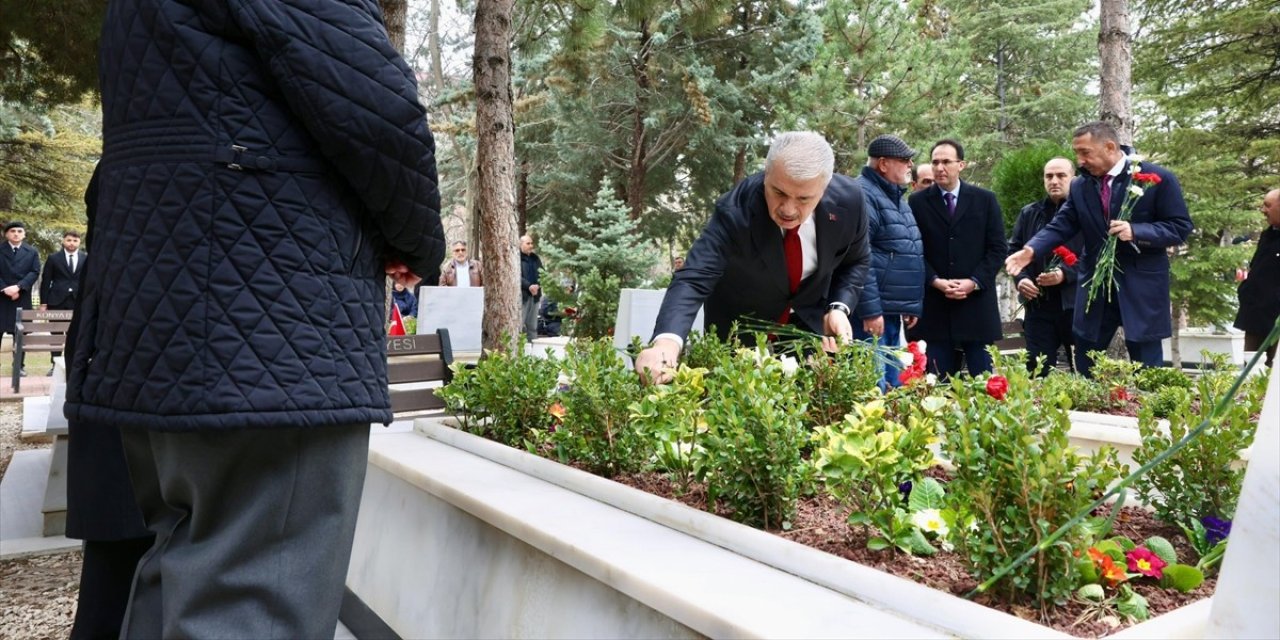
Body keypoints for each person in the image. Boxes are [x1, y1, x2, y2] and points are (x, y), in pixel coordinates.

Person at [65, 2, 445, 639]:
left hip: (164, 323)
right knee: (258, 595)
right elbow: (378, 112)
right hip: (272, 335)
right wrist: (416, 242)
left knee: (177, 577)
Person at [635, 131, 871, 383]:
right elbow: (694, 277)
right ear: (766, 175)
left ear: (824, 187)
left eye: (803, 198)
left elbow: (856, 261)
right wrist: (667, 341)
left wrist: (838, 307)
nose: (788, 210)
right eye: (778, 192)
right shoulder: (735, 210)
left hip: (806, 326)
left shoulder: (851, 201)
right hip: (740, 328)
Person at [1006, 121, 1192, 377]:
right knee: (1086, 362)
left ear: (1109, 147)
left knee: (1147, 369)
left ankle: (1150, 414)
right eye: (1077, 153)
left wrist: (1137, 231)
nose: (1080, 161)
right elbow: (1063, 224)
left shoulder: (1159, 178)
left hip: (1141, 289)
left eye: (1085, 153)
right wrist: (1031, 250)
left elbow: (1180, 227)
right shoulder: (1081, 186)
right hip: (1094, 289)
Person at [908, 139, 1007, 378]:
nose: (940, 167)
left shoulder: (985, 200)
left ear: (961, 165)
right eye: (935, 162)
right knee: (936, 383)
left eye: (946, 162)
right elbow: (912, 250)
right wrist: (934, 280)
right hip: (935, 306)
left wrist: (973, 281)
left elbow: (997, 249)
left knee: (983, 384)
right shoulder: (917, 203)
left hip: (976, 305)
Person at [853, 135, 924, 389]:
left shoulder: (896, 198)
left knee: (894, 389)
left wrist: (909, 305)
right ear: (883, 164)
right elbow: (861, 258)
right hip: (871, 315)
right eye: (905, 160)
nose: (910, 165)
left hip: (890, 311)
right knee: (874, 389)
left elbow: (905, 251)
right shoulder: (862, 194)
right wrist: (870, 310)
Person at [1008, 158, 1084, 375]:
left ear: (1074, 179)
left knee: (1083, 370)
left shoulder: (1085, 214)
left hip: (1075, 305)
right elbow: (1014, 250)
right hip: (1038, 305)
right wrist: (1021, 279)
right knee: (1037, 371)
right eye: (1049, 176)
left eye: (1061, 176)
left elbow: (1095, 257)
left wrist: (1065, 274)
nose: (1054, 181)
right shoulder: (1030, 213)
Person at [1233, 188, 1280, 367]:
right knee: (1252, 370)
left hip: (1276, 320)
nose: (1263, 210)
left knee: (1275, 375)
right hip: (1256, 317)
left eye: (1268, 205)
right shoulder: (1268, 235)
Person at [38, 230, 86, 364]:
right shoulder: (53, 258)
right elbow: (46, 281)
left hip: (78, 301)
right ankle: (55, 365)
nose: (71, 243)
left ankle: (73, 365)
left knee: (76, 334)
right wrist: (43, 303)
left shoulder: (86, 258)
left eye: (75, 241)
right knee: (56, 336)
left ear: (79, 242)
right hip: (56, 301)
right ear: (63, 241)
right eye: (69, 240)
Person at [1, 221, 40, 377]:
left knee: (20, 334)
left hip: (21, 297)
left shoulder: (32, 252)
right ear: (6, 234)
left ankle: (19, 365)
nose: (16, 234)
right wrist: (6, 289)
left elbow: (35, 271)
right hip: (1, 298)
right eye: (12, 231)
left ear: (24, 234)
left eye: (19, 231)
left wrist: (18, 287)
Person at [520, 234, 543, 341]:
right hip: (522, 297)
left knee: (533, 327)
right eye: (528, 243)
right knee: (519, 326)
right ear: (521, 244)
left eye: (531, 243)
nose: (531, 246)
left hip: (535, 296)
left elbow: (542, 274)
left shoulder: (535, 258)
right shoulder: (516, 258)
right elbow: (516, 277)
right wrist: (529, 286)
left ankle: (533, 351)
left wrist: (537, 286)